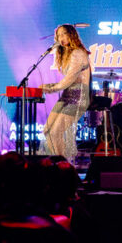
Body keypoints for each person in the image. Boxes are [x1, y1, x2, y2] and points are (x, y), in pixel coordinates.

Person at [41, 24, 92, 162]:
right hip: (67, 96)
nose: (62, 38)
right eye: (59, 35)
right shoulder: (66, 54)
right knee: (47, 131)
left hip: (78, 97)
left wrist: (50, 88)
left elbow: (69, 80)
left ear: (72, 34)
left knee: (55, 132)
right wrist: (48, 86)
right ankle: (60, 161)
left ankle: (63, 165)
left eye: (65, 34)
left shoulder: (78, 53)